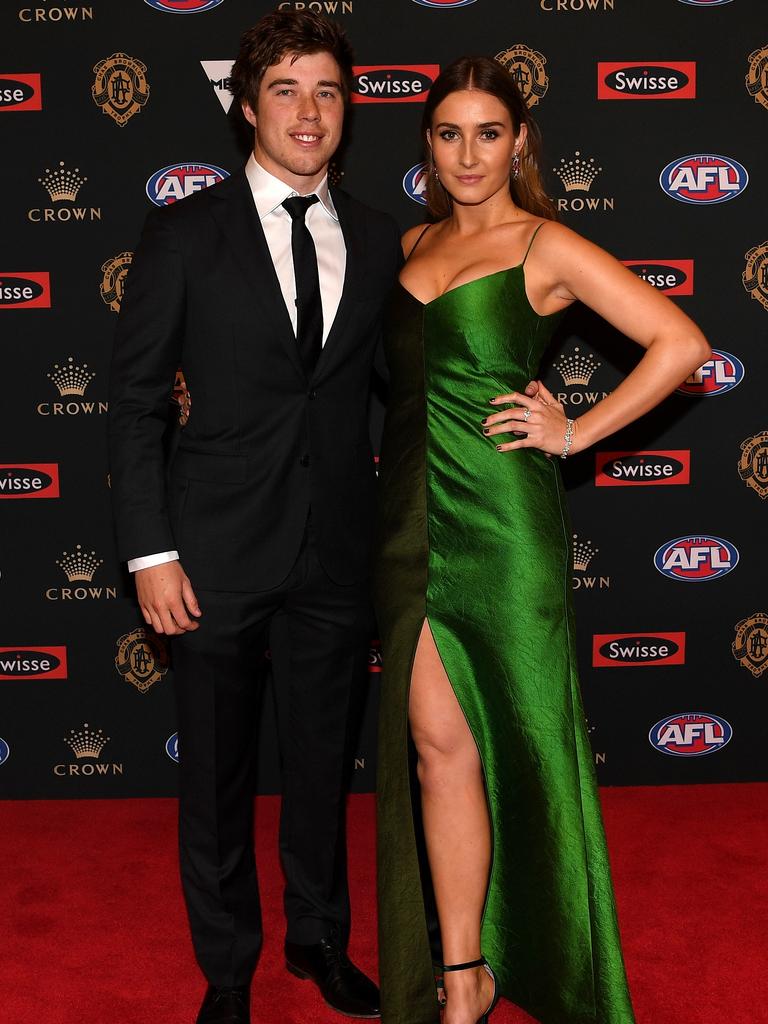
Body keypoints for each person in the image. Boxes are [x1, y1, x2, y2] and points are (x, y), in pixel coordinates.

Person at [373, 56, 710, 1024]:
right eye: (448, 133)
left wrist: (575, 431)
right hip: (405, 524)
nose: (468, 152)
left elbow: (681, 343)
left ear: (519, 142)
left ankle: (540, 961)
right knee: (439, 745)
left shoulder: (547, 244)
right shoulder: (410, 240)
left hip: (504, 525)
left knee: (522, 739)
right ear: (427, 147)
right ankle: (466, 972)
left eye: (489, 132)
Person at [107, 12, 401, 1024]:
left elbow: (405, 384)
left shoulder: (375, 236)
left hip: (334, 552)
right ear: (246, 106)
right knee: (218, 783)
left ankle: (319, 940)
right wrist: (151, 550)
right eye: (285, 89)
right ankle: (227, 969)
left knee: (323, 765)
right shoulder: (186, 232)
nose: (308, 111)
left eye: (326, 89)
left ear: (348, 106)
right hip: (214, 552)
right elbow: (138, 400)